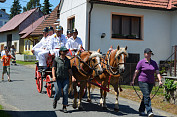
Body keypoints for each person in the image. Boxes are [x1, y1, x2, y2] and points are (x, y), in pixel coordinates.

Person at [131, 48, 163, 117]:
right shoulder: (141, 62)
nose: (149, 55)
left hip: (151, 82)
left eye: (150, 53)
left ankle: (141, 110)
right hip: (142, 81)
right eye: (148, 53)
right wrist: (133, 80)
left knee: (145, 96)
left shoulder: (154, 63)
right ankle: (149, 111)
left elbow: (157, 72)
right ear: (144, 54)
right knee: (147, 95)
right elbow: (136, 72)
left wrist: (160, 80)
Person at [52, 46, 75, 113]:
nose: (65, 52)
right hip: (58, 78)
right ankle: (55, 100)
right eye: (64, 51)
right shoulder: (56, 59)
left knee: (65, 92)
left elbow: (69, 69)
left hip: (65, 78)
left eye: (66, 51)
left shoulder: (67, 60)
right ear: (61, 52)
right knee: (58, 92)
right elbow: (53, 68)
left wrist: (72, 76)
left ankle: (64, 106)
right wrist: (53, 76)